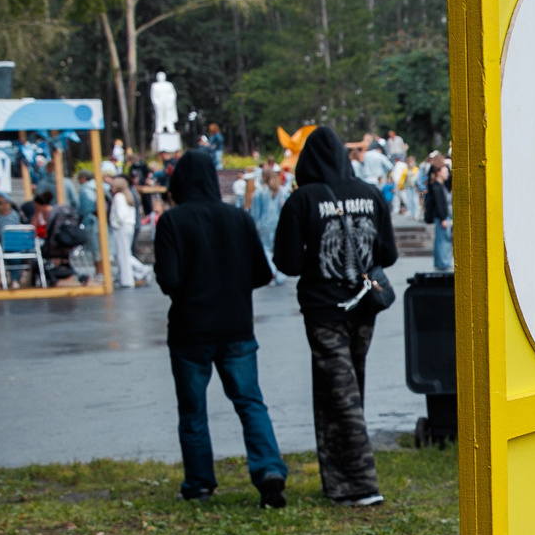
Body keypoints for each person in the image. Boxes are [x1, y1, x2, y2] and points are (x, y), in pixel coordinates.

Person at [152, 149, 288, 507]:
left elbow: (168, 278)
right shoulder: (238, 218)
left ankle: (198, 482)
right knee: (250, 402)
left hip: (190, 328)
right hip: (237, 326)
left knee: (192, 410)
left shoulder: (172, 222)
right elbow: (262, 272)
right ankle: (269, 469)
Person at [272, 126, 397, 507]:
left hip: (324, 310)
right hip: (364, 308)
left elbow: (288, 263)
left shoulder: (303, 200)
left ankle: (361, 484)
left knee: (338, 394)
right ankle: (339, 483)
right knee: (346, 388)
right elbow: (387, 255)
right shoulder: (371, 194)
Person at [108, 178, 144, 289]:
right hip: (129, 226)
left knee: (122, 254)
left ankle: (128, 279)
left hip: (122, 227)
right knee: (125, 253)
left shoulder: (118, 197)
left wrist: (116, 223)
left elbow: (121, 214)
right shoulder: (129, 195)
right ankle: (135, 273)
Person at [249, 163, 286, 265]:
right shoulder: (280, 190)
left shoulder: (259, 192)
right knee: (275, 249)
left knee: (265, 249)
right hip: (277, 223)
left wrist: (254, 226)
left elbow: (255, 212)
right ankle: (278, 272)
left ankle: (272, 271)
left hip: (263, 224)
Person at [422, 153, 453, 272]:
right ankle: (443, 262)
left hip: (442, 216)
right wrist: (443, 217)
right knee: (443, 240)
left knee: (441, 240)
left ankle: (441, 261)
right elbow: (440, 204)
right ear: (439, 172)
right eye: (445, 172)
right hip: (442, 217)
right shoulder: (437, 186)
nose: (447, 174)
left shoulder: (437, 185)